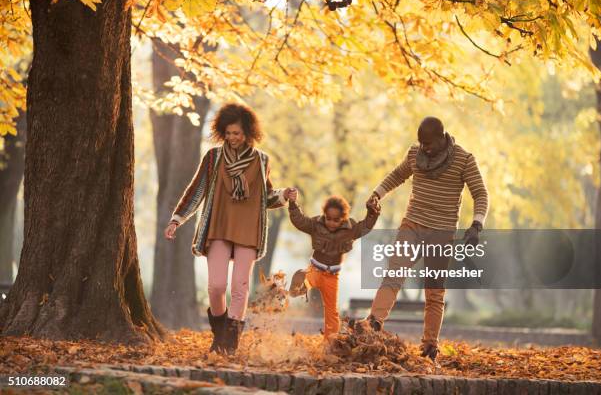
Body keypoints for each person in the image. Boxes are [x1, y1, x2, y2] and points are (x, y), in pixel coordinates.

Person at [164, 103, 291, 355]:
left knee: (240, 286)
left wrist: (284, 195)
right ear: (223, 131)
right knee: (216, 286)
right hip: (218, 227)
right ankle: (220, 331)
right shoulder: (213, 157)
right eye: (229, 133)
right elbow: (197, 190)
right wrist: (177, 218)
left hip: (248, 231)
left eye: (238, 133)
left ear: (248, 133)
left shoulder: (261, 160)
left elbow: (265, 197)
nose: (233, 138)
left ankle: (230, 343)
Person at [363, 116, 489, 362]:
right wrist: (377, 194)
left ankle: (430, 344)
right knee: (394, 274)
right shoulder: (415, 154)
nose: (425, 148)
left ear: (442, 137)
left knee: (434, 292)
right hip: (412, 224)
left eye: (429, 144)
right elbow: (396, 176)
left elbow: (481, 193)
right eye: (422, 143)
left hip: (441, 232)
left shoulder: (464, 160)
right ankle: (374, 323)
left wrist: (477, 224)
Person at [287, 191, 380, 340]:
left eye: (335, 220)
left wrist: (373, 213)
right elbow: (300, 221)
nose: (331, 223)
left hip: (332, 277)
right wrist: (292, 204)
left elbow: (366, 227)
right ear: (324, 215)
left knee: (331, 311)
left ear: (343, 219)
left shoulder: (350, 230)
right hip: (315, 269)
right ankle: (298, 283)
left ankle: (330, 342)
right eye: (328, 218)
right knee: (305, 283)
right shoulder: (316, 225)